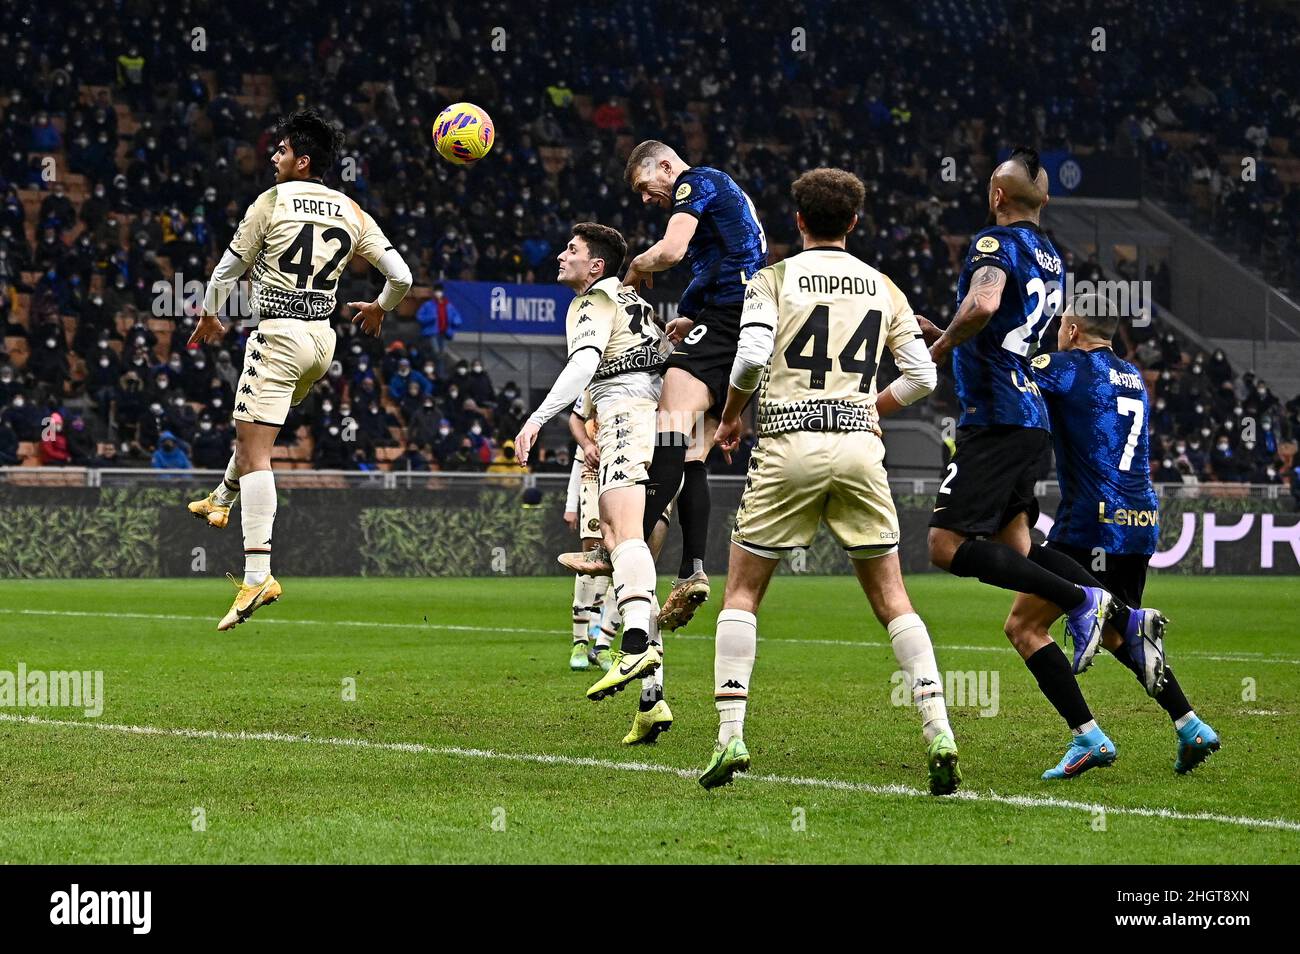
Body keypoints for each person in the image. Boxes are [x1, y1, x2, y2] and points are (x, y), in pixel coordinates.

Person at [699, 168, 957, 793]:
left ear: (797, 220)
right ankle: (939, 729)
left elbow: (753, 356)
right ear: (854, 222)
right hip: (860, 449)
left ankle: (731, 734)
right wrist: (870, 407)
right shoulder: (884, 287)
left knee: (742, 593)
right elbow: (922, 378)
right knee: (893, 598)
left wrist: (731, 418)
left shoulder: (772, 279)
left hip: (788, 441)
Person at [923, 147, 1143, 779]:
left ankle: (1083, 598)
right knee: (1017, 549)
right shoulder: (1052, 257)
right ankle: (1088, 732)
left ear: (998, 195)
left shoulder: (993, 244)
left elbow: (986, 307)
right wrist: (952, 329)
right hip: (1027, 418)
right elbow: (1006, 331)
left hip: (995, 419)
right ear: (1042, 201)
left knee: (942, 545)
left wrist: (937, 348)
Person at [186, 107, 412, 630]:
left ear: (302, 159)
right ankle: (221, 499)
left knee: (256, 449)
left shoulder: (270, 202)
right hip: (323, 340)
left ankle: (258, 573)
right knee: (253, 435)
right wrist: (379, 307)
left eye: (282, 150)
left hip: (280, 332)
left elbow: (228, 267)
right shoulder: (352, 210)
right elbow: (401, 276)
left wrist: (211, 313)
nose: (274, 156)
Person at [1009, 293, 1219, 774]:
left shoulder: (1066, 366)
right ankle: (1189, 724)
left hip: (1090, 520)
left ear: (1074, 331)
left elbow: (1009, 375)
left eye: (1061, 326)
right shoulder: (1133, 377)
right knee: (1121, 632)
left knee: (1024, 627)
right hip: (1140, 521)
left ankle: (1087, 736)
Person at [514, 222, 672, 743]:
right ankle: (653, 701)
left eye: (572, 251)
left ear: (596, 266)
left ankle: (627, 646)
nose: (562, 256)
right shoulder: (636, 304)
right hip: (672, 427)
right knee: (641, 556)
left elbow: (583, 362)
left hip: (626, 417)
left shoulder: (590, 302)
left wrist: (537, 418)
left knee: (618, 535)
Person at [621, 140, 768, 630]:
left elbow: (673, 249)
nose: (646, 199)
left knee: (669, 423)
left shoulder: (695, 181)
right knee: (692, 453)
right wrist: (691, 313)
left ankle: (628, 547)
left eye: (646, 187)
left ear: (666, 165)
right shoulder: (721, 189)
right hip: (743, 324)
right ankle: (692, 569)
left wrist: (637, 267)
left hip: (729, 318)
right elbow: (727, 255)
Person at [415, 283, 461, 377]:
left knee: (441, 354)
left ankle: (440, 374)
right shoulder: (428, 305)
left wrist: (454, 322)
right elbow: (419, 317)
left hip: (443, 333)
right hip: (432, 333)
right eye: (436, 291)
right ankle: (432, 372)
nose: (438, 293)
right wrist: (430, 318)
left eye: (440, 291)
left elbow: (457, 317)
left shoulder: (448, 305)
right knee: (436, 353)